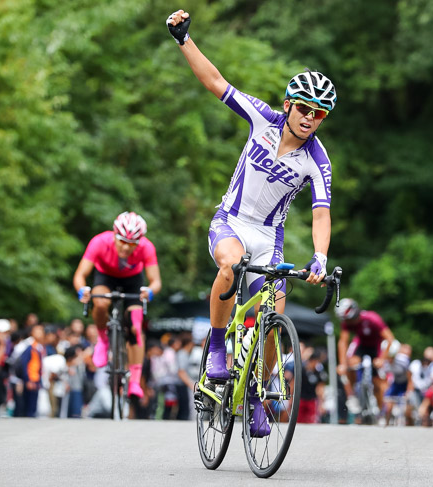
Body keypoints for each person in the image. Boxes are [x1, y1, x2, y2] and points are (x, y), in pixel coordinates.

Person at [167, 8, 335, 437]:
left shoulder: (317, 161)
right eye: (304, 108)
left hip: (269, 238)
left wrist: (319, 256)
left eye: (318, 114)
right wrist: (185, 38)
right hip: (232, 221)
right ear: (289, 105)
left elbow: (321, 212)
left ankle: (260, 393)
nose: (308, 118)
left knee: (273, 314)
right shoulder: (262, 117)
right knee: (230, 264)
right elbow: (216, 82)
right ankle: (218, 349)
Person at [74, 212, 161, 400]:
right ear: (114, 234)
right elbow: (80, 275)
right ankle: (103, 340)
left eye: (132, 244)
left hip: (133, 280)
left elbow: (155, 281)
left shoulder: (147, 247)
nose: (125, 247)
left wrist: (150, 291)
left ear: (139, 241)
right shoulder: (99, 242)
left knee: (135, 324)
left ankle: (135, 380)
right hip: (105, 276)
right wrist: (83, 290)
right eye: (122, 241)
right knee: (100, 301)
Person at [335, 298, 396, 417]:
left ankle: (380, 409)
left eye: (350, 320)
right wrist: (343, 364)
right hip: (361, 345)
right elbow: (343, 342)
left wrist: (382, 359)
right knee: (350, 364)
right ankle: (352, 395)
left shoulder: (372, 318)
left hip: (376, 346)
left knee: (377, 381)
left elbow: (389, 338)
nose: (348, 323)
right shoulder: (346, 323)